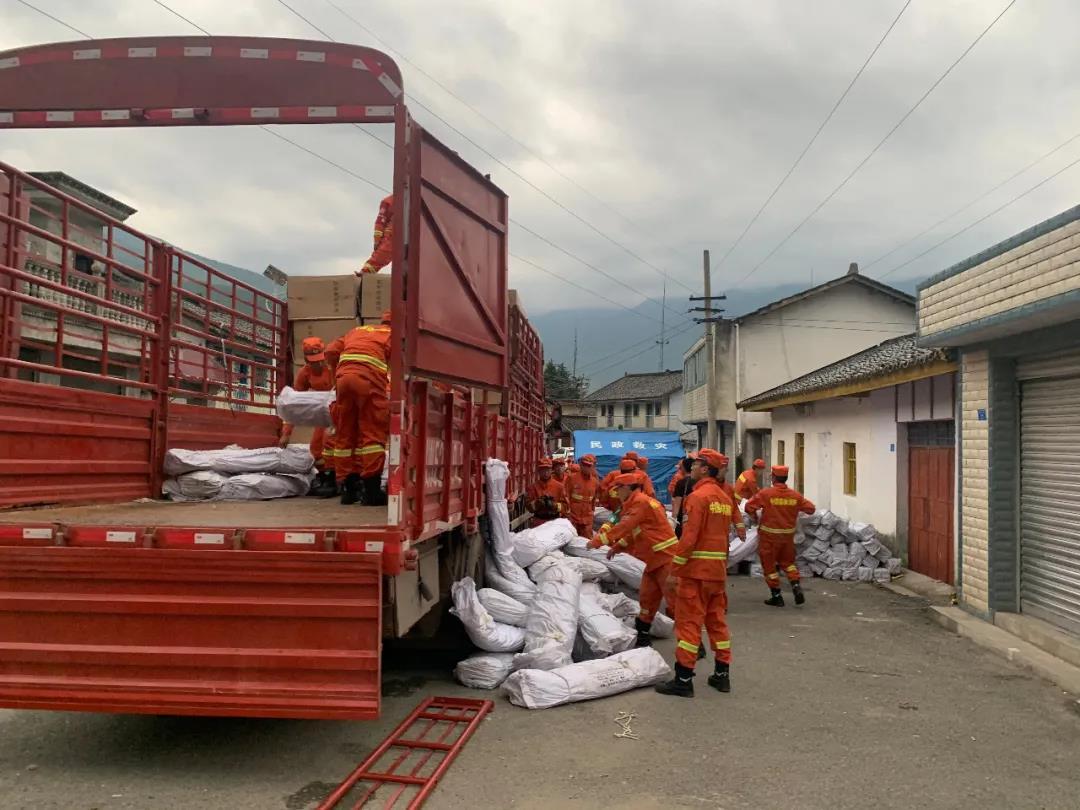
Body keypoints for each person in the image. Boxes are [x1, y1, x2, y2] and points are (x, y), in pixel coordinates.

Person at [656, 449, 744, 698]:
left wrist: (675, 571)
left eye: (695, 463)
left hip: (695, 574)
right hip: (717, 574)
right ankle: (722, 675)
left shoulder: (697, 497)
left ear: (705, 468)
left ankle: (683, 680)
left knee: (688, 625)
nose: (691, 467)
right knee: (717, 624)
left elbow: (688, 538)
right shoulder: (723, 498)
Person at [588, 471, 677, 648]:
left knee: (676, 603)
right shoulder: (636, 503)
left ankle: (693, 645)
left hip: (666, 559)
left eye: (618, 489)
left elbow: (625, 526)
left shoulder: (640, 503)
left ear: (627, 488)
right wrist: (618, 547)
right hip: (653, 561)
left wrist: (599, 541)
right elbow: (636, 531)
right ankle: (643, 641)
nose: (616, 493)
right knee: (647, 600)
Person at [325, 311, 392, 506]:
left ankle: (348, 490)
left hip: (343, 380)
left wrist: (337, 374)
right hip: (368, 382)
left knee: (345, 432)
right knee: (372, 433)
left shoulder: (356, 330)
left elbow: (330, 351)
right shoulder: (393, 335)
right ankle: (371, 491)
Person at [745, 465, 816, 607]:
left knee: (769, 567)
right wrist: (794, 511)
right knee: (788, 564)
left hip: (769, 537)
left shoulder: (766, 494)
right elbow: (811, 509)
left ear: (773, 477)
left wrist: (754, 517)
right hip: (787, 537)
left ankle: (776, 596)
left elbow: (748, 507)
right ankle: (796, 586)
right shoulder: (795, 496)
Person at [279, 337, 337, 496]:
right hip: (324, 415)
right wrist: (286, 433)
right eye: (313, 361)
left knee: (331, 443)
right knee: (316, 449)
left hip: (341, 412)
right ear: (305, 359)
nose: (318, 364)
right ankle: (327, 477)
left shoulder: (334, 369)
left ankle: (338, 479)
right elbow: (294, 406)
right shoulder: (304, 374)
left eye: (320, 360)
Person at [357, 194, 394, 275]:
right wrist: (377, 241)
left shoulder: (389, 201)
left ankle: (364, 275)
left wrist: (377, 241)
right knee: (380, 256)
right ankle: (364, 275)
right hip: (392, 237)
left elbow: (380, 222)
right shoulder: (389, 201)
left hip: (393, 237)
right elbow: (380, 223)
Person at [565, 454, 600, 537]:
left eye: (589, 465)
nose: (586, 467)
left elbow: (594, 500)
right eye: (584, 465)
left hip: (587, 519)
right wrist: (568, 514)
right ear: (580, 464)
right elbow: (566, 496)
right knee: (572, 540)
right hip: (573, 517)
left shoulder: (595, 482)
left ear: (593, 466)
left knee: (586, 541)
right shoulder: (572, 478)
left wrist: (591, 513)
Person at [526, 458, 567, 526]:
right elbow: (529, 508)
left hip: (555, 522)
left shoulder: (560, 487)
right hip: (538, 522)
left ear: (551, 470)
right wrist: (537, 503)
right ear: (538, 471)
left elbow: (566, 507)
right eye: (543, 470)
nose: (545, 473)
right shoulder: (532, 488)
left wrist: (555, 505)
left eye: (547, 470)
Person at [671, 456, 696, 537]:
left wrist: (673, 520)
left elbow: (677, 505)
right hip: (697, 521)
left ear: (684, 468)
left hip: (683, 521)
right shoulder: (701, 482)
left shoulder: (681, 483)